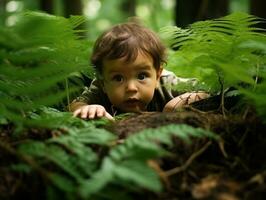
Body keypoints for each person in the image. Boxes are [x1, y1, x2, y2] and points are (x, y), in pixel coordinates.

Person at [69, 22, 209, 120]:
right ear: (104, 83)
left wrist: (175, 104)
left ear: (157, 75)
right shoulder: (100, 87)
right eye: (118, 78)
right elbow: (76, 104)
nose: (131, 88)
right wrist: (89, 109)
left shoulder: (167, 83)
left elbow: (208, 89)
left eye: (142, 76)